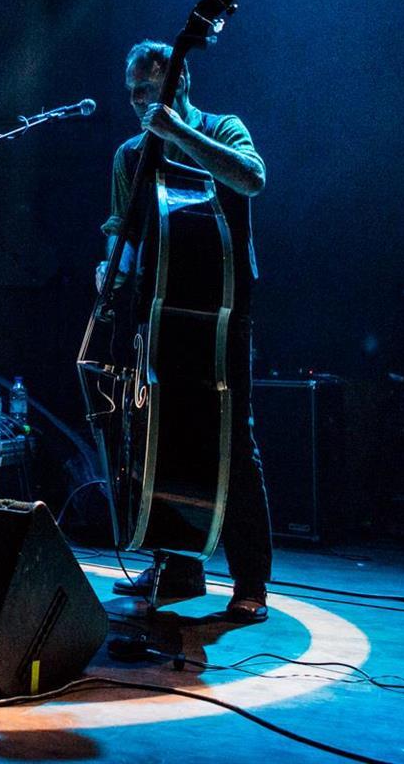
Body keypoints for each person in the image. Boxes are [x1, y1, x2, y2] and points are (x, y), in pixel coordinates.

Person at [99, 39, 274, 622]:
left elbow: (252, 178)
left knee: (234, 440)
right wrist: (110, 271)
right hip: (159, 310)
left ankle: (251, 580)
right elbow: (121, 231)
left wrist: (180, 134)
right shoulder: (130, 156)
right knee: (157, 435)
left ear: (181, 84)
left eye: (149, 91)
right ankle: (177, 564)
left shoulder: (222, 129)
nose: (140, 104)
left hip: (223, 311)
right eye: (133, 95)